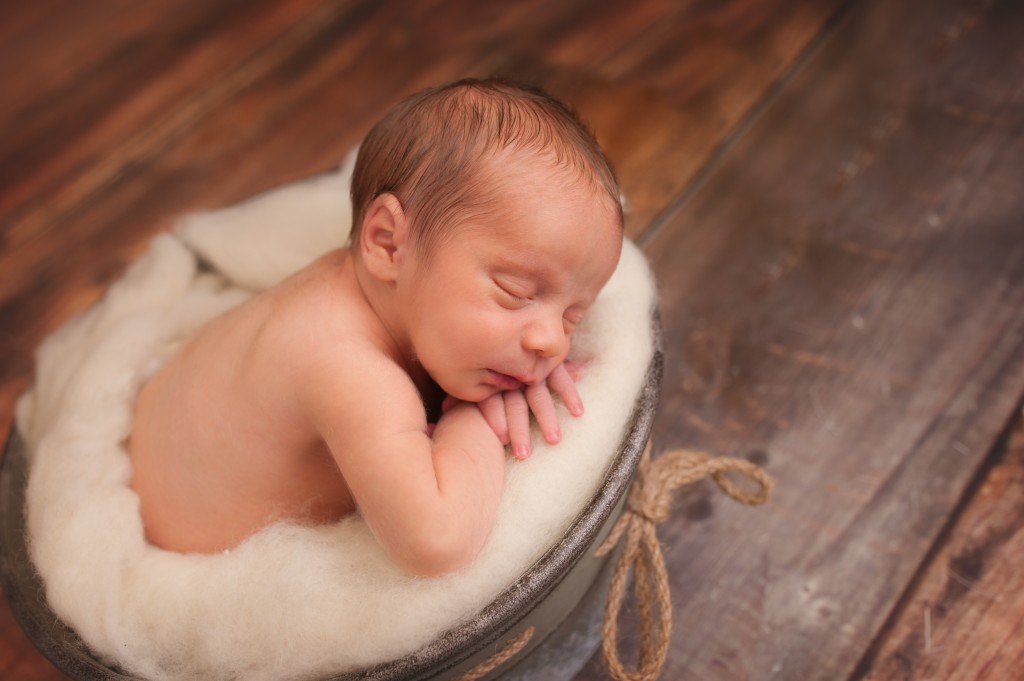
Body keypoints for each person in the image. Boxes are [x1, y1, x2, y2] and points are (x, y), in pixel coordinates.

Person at [128, 78, 624, 576]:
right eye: (515, 292)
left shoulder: (371, 292)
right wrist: (473, 421)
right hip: (185, 532)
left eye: (572, 315)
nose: (552, 341)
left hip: (161, 431)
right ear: (386, 243)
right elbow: (437, 543)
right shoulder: (347, 368)